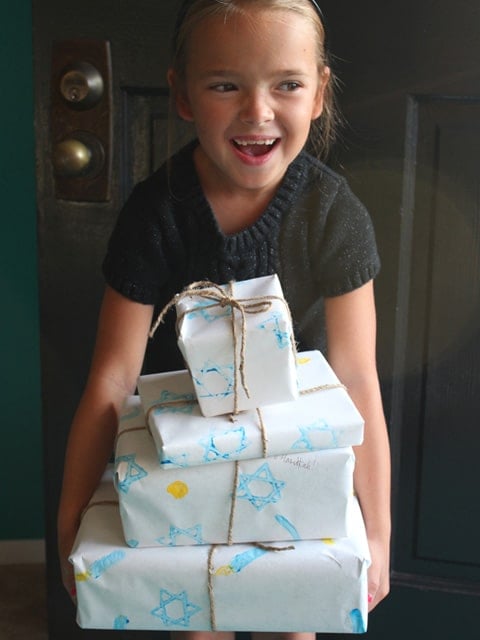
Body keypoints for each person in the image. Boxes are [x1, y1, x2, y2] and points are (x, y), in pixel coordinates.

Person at [57, 0, 391, 638]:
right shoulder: (155, 214)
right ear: (182, 95)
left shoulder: (333, 214)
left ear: (319, 93)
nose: (257, 112)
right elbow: (111, 379)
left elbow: (357, 376)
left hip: (303, 467)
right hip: (187, 470)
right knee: (199, 616)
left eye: (286, 84)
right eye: (225, 85)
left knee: (302, 614)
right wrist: (71, 520)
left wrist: (377, 528)